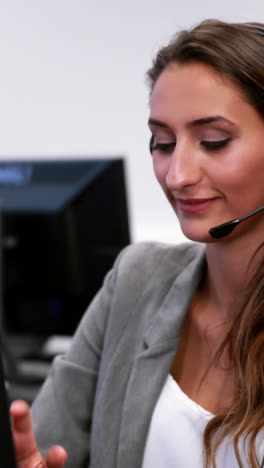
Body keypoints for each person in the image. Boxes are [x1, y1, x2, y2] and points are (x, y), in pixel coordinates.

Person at [10, 18, 264, 468]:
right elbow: (49, 442)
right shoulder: (136, 279)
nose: (177, 175)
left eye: (213, 141)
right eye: (162, 142)